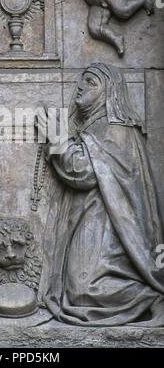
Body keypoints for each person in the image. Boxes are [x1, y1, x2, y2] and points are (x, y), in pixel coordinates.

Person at [37, 63, 164, 326]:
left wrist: (57, 139)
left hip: (110, 229)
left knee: (85, 290)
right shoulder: (98, 128)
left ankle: (149, 296)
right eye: (81, 81)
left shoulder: (115, 129)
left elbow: (82, 172)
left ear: (110, 92)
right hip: (92, 219)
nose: (81, 86)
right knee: (79, 290)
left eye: (91, 82)